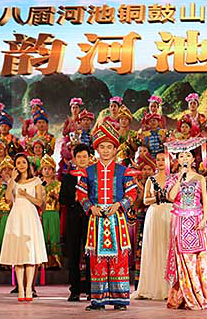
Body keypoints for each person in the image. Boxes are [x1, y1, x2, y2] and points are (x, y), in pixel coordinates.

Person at [77, 122, 137, 311]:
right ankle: (98, 300)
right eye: (102, 147)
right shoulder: (88, 171)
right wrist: (90, 207)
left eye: (109, 147)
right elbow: (81, 193)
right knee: (97, 260)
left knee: (119, 259)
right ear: (97, 149)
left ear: (115, 149)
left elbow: (132, 193)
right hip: (96, 220)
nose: (105, 150)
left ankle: (120, 300)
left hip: (116, 219)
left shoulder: (123, 170)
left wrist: (119, 205)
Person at [165, 137, 207, 310]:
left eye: (188, 156)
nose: (184, 159)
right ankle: (186, 295)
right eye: (181, 156)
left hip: (197, 221)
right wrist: (179, 178)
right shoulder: (173, 179)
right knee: (184, 260)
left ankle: (203, 294)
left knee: (200, 260)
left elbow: (205, 201)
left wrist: (204, 220)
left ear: (193, 159)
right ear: (177, 159)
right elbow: (170, 197)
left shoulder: (200, 178)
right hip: (180, 221)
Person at [0, 153, 48, 301]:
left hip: (30, 217)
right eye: (18, 163)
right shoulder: (13, 182)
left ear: (28, 164)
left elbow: (39, 202)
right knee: (18, 255)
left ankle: (29, 289)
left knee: (30, 255)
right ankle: (20, 289)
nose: (21, 165)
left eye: (23, 162)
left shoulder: (36, 181)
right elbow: (8, 199)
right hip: (16, 217)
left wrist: (26, 195)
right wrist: (11, 181)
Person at [133, 152, 172, 301]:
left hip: (170, 213)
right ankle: (152, 287)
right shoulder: (151, 179)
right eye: (158, 160)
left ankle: (169, 288)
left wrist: (167, 197)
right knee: (154, 247)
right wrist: (156, 197)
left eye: (164, 159)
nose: (161, 162)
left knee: (168, 247)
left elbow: (176, 198)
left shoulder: (173, 179)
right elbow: (146, 200)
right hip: (154, 213)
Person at [59, 143, 91, 302]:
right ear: (74, 158)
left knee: (90, 253)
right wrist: (75, 199)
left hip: (90, 218)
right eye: (79, 157)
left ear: (89, 158)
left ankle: (91, 289)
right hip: (72, 219)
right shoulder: (68, 177)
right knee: (73, 254)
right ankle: (74, 290)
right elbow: (62, 199)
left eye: (85, 156)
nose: (82, 159)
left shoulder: (93, 176)